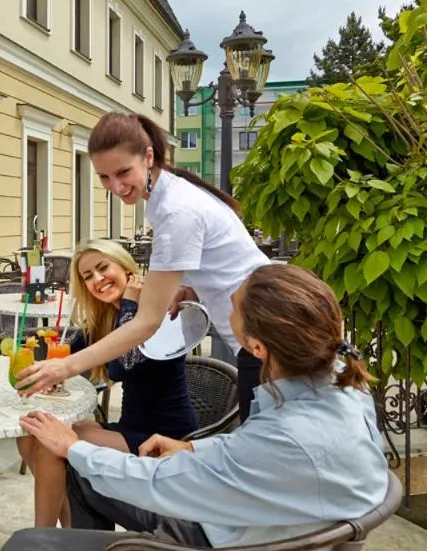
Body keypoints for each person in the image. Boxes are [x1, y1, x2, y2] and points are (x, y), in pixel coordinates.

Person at [0, 264, 389, 551]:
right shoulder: (335, 378)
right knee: (81, 473)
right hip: (245, 534)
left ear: (257, 347)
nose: (220, 313)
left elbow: (160, 485)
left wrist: (73, 445)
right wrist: (194, 447)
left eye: (231, 310)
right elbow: (253, 457)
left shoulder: (294, 436)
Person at [16, 112, 271, 422]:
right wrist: (186, 287)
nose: (116, 185)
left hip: (267, 342)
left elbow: (146, 323)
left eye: (123, 172)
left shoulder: (176, 211)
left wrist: (66, 366)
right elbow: (220, 265)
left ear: (148, 157)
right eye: (104, 177)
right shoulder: (168, 197)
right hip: (260, 335)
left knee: (270, 460)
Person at [17, 238, 197, 528]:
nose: (97, 280)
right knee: (32, 428)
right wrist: (36, 358)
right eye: (88, 276)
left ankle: (44, 537)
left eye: (103, 268)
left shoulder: (156, 314)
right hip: (129, 428)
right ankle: (69, 530)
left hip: (164, 437)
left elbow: (123, 364)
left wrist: (129, 302)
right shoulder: (112, 317)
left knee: (49, 443)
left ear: (127, 268)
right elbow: (69, 350)